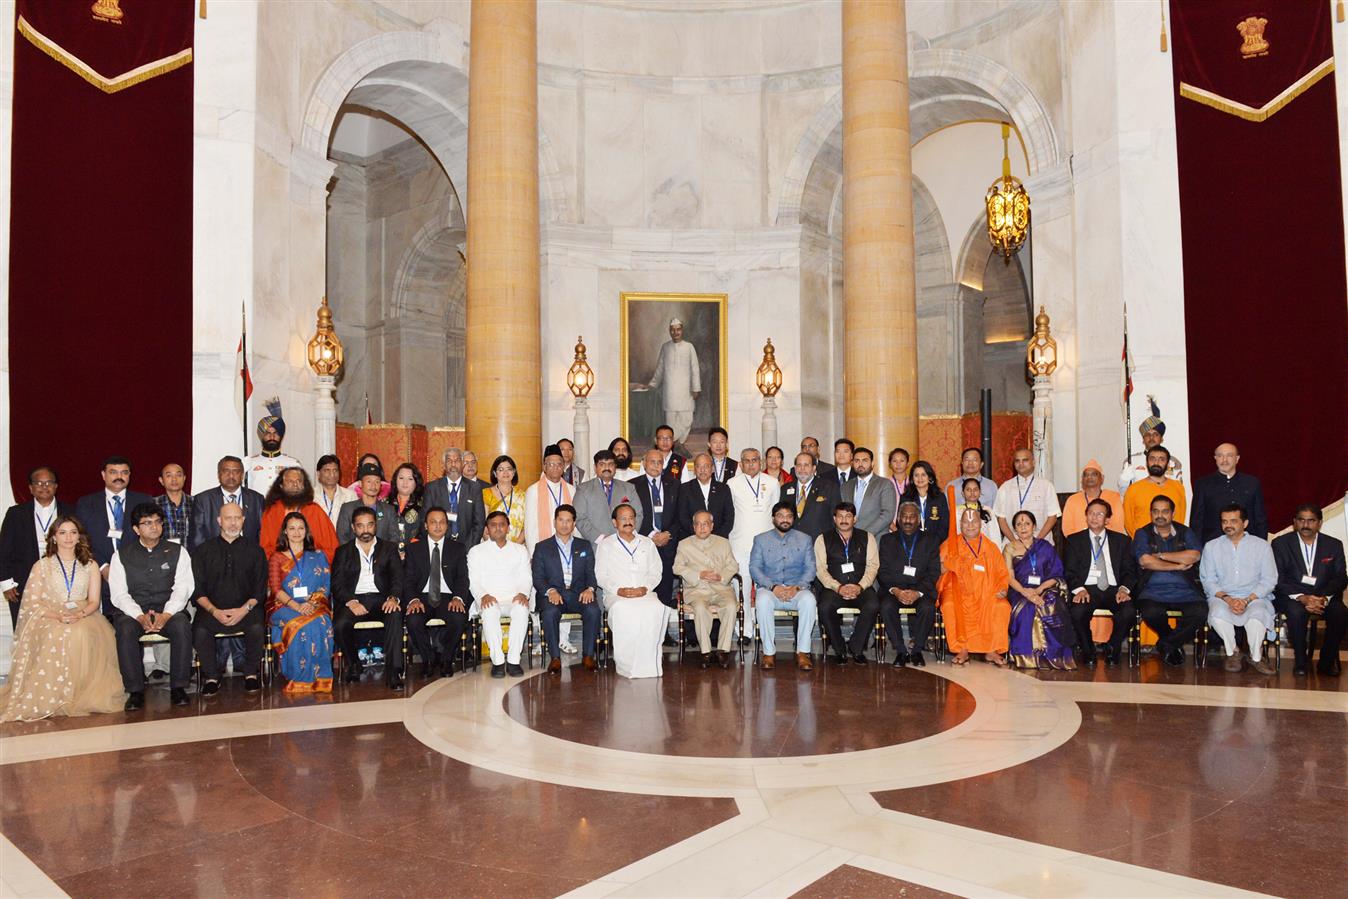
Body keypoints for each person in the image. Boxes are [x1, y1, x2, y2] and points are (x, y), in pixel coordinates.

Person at [0, 516, 123, 722]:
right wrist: (58, 615)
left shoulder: (90, 564)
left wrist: (79, 614)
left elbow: (93, 600)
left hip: (83, 613)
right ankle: (54, 695)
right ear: (54, 538)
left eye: (73, 532)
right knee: (58, 632)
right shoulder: (42, 566)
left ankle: (79, 695)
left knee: (82, 632)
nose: (68, 537)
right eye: (63, 533)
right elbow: (33, 603)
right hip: (49, 614)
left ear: (79, 537)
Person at [108, 504, 194, 709]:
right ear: (136, 529)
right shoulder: (121, 555)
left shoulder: (177, 551)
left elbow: (183, 588)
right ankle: (135, 691)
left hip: (168, 610)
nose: (154, 527)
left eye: (157, 522)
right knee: (125, 629)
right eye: (147, 523)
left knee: (181, 625)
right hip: (134, 612)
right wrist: (139, 616)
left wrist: (166, 614)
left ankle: (179, 687)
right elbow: (119, 594)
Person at [190, 502, 268, 694]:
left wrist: (243, 610)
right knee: (199, 630)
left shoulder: (256, 551)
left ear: (243, 521)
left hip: (247, 609)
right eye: (228, 518)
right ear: (219, 521)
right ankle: (211, 676)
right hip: (212, 609)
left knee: (257, 627)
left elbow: (260, 590)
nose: (233, 523)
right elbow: (197, 590)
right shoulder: (203, 551)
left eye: (237, 518)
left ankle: (251, 673)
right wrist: (214, 611)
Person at [331, 506, 405, 688]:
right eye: (360, 526)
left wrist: (393, 597)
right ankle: (354, 663)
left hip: (382, 599)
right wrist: (351, 601)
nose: (365, 530)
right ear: (353, 527)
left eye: (370, 525)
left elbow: (398, 578)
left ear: (376, 526)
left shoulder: (388, 548)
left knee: (395, 615)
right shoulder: (343, 551)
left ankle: (394, 671)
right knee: (340, 624)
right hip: (355, 599)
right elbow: (337, 584)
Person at [1199, 504, 1277, 675]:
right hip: (1222, 597)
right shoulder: (1212, 547)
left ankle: (1256, 657)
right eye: (1224, 521)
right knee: (1217, 614)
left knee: (1257, 616)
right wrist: (1228, 599)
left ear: (1245, 523)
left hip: (1255, 597)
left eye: (1233, 521)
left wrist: (1247, 600)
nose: (1228, 525)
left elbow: (1269, 579)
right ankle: (1233, 652)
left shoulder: (1262, 546)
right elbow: (1208, 580)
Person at [1272, 504, 1347, 676]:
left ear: (1319, 523)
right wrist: (1302, 597)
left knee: (1341, 614)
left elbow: (1341, 577)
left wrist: (1322, 598)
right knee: (1297, 613)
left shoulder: (1333, 545)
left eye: (1311, 521)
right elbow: (1277, 577)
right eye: (1301, 520)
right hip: (1292, 595)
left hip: (1325, 594)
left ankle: (1326, 662)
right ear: (1294, 522)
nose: (1306, 525)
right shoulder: (1281, 544)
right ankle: (1300, 662)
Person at [1062, 498, 1138, 667]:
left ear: (1107, 519)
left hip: (1114, 589)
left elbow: (1130, 570)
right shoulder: (1074, 540)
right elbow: (1069, 570)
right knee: (1077, 612)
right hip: (1087, 589)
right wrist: (1079, 589)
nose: (1094, 517)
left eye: (1099, 514)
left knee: (1128, 612)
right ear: (1086, 516)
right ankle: (1088, 650)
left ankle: (1113, 646)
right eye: (1090, 513)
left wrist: (1124, 589)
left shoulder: (1122, 541)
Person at [1134, 495, 1206, 667]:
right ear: (1151, 513)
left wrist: (1160, 556)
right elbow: (1145, 561)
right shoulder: (1142, 533)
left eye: (1165, 511)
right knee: (1150, 612)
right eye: (1156, 511)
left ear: (1173, 513)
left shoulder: (1185, 532)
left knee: (1201, 613)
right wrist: (1176, 566)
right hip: (1152, 592)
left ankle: (1166, 644)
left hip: (1186, 591)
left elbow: (1194, 555)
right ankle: (1172, 642)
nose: (1160, 515)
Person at [595, 504, 666, 678]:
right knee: (624, 611)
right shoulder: (606, 545)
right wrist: (619, 590)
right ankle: (627, 666)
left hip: (645, 592)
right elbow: (601, 575)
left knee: (657, 608)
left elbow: (657, 571)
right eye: (623, 518)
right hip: (617, 595)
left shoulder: (647, 543)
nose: (628, 522)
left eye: (631, 518)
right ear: (614, 522)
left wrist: (645, 588)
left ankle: (651, 665)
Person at [267, 511, 335, 693]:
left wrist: (311, 604)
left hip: (314, 604)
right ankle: (299, 678)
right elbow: (275, 589)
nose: (296, 532)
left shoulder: (318, 556)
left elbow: (325, 584)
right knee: (301, 625)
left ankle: (321, 679)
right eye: (292, 528)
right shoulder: (277, 557)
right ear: (285, 532)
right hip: (284, 605)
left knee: (321, 622)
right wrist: (297, 606)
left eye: (300, 528)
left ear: (306, 531)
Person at [403, 507, 472, 679]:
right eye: (433, 522)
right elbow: (408, 579)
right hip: (422, 597)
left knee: (458, 617)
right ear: (425, 525)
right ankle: (428, 659)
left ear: (447, 526)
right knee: (413, 619)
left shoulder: (457, 548)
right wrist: (413, 600)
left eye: (442, 522)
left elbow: (462, 578)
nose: (437, 526)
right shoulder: (414, 549)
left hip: (448, 597)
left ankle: (447, 659)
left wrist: (458, 598)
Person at [0, 465, 73, 627]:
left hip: (62, 581)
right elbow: (3, 551)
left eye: (48, 483)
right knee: (25, 628)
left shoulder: (71, 511)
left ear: (56, 486)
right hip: (22, 582)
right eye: (39, 483)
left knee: (58, 630)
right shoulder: (15, 514)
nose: (44, 487)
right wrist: (6, 582)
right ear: (30, 488)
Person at [938, 507, 1011, 666]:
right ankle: (962, 648)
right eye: (966, 522)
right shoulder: (950, 544)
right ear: (960, 524)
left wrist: (1002, 588)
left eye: (974, 522)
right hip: (958, 589)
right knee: (950, 605)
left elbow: (1002, 572)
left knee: (1002, 607)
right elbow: (936, 570)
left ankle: (992, 650)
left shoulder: (990, 547)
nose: (970, 526)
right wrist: (950, 565)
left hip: (987, 591)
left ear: (980, 524)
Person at [532, 504, 601, 673]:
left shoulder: (584, 546)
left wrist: (590, 588)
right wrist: (550, 591)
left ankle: (588, 656)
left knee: (593, 610)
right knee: (549, 612)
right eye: (561, 520)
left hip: (578, 594)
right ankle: (555, 658)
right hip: (554, 594)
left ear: (574, 523)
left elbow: (591, 574)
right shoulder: (542, 547)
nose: (564, 524)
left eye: (568, 521)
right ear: (554, 522)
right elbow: (538, 578)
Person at [1003, 510, 1075, 670]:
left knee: (1052, 604)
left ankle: (1055, 656)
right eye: (1019, 524)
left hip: (1044, 588)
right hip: (1019, 591)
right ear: (1014, 529)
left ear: (1034, 526)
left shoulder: (1045, 547)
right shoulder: (1010, 548)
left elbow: (1056, 572)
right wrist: (1026, 592)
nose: (1023, 527)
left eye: (1027, 523)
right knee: (1027, 609)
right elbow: (1009, 577)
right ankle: (1026, 657)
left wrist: (1039, 589)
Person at [749, 503, 817, 670]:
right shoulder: (760, 539)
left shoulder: (805, 539)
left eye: (789, 516)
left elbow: (811, 569)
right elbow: (754, 568)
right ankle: (769, 653)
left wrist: (797, 587)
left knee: (809, 600)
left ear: (793, 519)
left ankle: (803, 652)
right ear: (773, 518)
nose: (785, 519)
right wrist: (773, 587)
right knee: (762, 601)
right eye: (780, 515)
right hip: (770, 589)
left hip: (797, 589)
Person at [815, 502, 880, 665]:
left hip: (861, 587)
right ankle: (839, 649)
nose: (844, 520)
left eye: (848, 516)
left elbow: (873, 566)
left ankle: (856, 648)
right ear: (834, 519)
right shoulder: (822, 539)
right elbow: (820, 569)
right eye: (840, 516)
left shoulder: (868, 537)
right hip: (834, 587)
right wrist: (838, 587)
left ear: (855, 519)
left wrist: (860, 586)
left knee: (873, 604)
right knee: (824, 607)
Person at [469, 511, 533, 678]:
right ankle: (497, 662)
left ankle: (513, 661)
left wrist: (522, 593)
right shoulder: (476, 551)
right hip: (488, 597)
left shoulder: (520, 550)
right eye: (493, 525)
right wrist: (483, 595)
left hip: (513, 597)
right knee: (490, 610)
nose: (498, 528)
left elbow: (526, 576)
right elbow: (473, 580)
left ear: (508, 528)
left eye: (502, 524)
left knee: (521, 609)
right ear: (487, 529)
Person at [877, 502, 941, 667]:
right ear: (898, 518)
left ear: (918, 519)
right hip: (894, 590)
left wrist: (916, 592)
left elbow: (933, 572)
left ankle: (917, 650)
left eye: (912, 516)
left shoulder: (931, 540)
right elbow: (882, 572)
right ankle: (900, 650)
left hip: (920, 590)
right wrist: (896, 591)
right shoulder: (887, 540)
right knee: (886, 607)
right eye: (904, 516)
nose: (907, 520)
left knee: (927, 608)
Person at [674, 510, 740, 668]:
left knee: (731, 606)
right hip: (697, 590)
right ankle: (705, 651)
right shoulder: (684, 544)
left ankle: (723, 651)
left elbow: (733, 565)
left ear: (712, 526)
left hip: (721, 588)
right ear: (693, 526)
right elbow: (677, 567)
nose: (702, 528)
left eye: (706, 524)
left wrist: (721, 577)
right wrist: (698, 575)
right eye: (698, 524)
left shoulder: (723, 542)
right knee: (700, 608)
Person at [728, 448, 780, 641]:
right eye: (747, 461)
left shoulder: (773, 483)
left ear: (761, 462)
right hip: (739, 544)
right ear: (741, 464)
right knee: (741, 589)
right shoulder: (731, 484)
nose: (751, 464)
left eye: (755, 460)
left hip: (766, 546)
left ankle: (765, 630)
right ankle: (744, 631)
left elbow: (777, 514)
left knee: (764, 589)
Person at [74, 456, 153, 581]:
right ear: (103, 475)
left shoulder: (144, 501)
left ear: (129, 475)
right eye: (113, 472)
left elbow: (151, 536)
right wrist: (103, 567)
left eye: (124, 472)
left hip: (136, 574)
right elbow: (81, 538)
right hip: (97, 574)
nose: (119, 477)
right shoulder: (86, 503)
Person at [1189, 443, 1268, 544]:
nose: (1224, 460)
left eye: (1229, 455)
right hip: (1214, 544)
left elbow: (1260, 518)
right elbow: (1197, 521)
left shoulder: (1252, 483)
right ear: (1215, 458)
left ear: (1237, 458)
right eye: (1220, 456)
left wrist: (1261, 545)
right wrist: (1197, 548)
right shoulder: (1203, 484)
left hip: (1247, 544)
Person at [631, 448, 678, 612]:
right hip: (643, 544)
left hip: (668, 544)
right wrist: (651, 535)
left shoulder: (674, 484)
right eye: (652, 461)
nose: (656, 465)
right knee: (645, 589)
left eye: (659, 462)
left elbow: (680, 515)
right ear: (644, 463)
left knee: (665, 590)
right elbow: (633, 515)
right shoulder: (633, 485)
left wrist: (668, 534)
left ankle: (663, 635)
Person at [259, 467, 339, 562]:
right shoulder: (272, 512)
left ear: (304, 485)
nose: (295, 484)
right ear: (281, 485)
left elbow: (332, 548)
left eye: (299, 481)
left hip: (312, 566)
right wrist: (285, 557)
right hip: (280, 568)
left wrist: (308, 557)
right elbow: (265, 549)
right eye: (290, 481)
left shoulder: (315, 510)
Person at [644, 318, 701, 446]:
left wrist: (696, 388)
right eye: (673, 330)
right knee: (671, 420)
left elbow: (695, 368)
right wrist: (653, 384)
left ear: (682, 330)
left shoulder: (689, 347)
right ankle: (676, 445)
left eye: (678, 329)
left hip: (686, 390)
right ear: (670, 331)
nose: (675, 332)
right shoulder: (665, 347)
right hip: (670, 391)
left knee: (687, 418)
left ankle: (677, 443)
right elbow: (660, 368)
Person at [189, 455, 265, 550]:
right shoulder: (203, 500)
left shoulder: (257, 499)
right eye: (226, 471)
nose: (231, 475)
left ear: (242, 475)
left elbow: (263, 534)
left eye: (236, 471)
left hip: (248, 558)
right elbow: (197, 538)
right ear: (218, 474)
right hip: (214, 558)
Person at [1118, 395, 1185, 493]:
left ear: (1161, 439)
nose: (1151, 438)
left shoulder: (1173, 462)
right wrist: (1123, 482)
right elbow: (1124, 493)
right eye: (1148, 435)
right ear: (1143, 440)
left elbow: (1178, 490)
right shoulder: (1131, 461)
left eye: (1155, 434)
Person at [993, 448, 1060, 545]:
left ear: (1033, 462)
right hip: (1012, 544)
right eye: (1017, 461)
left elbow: (1052, 517)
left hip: (1041, 542)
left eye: (1025, 460)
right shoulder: (1005, 487)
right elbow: (1001, 519)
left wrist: (1036, 542)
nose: (1021, 464)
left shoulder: (1046, 486)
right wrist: (1015, 542)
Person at [424, 447, 487, 547]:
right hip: (440, 545)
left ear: (462, 464)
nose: (453, 464)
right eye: (449, 461)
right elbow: (426, 519)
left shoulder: (474, 488)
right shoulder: (432, 488)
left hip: (467, 546)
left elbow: (479, 523)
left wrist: (467, 548)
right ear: (444, 465)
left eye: (457, 460)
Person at [573, 450, 638, 544]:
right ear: (595, 467)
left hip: (625, 543)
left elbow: (638, 514)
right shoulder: (583, 489)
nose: (606, 468)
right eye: (602, 464)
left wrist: (627, 536)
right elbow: (580, 518)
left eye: (610, 464)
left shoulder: (629, 488)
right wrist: (600, 539)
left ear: (615, 467)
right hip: (595, 545)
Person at [1122, 445, 1187, 537]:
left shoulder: (1177, 487)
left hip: (1172, 545)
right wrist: (1140, 541)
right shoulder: (1134, 489)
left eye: (1161, 459)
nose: (1156, 462)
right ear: (1147, 462)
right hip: (1143, 545)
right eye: (1152, 459)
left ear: (1168, 464)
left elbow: (1180, 517)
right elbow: (1128, 521)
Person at [243, 397, 303, 495]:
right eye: (267, 433)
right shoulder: (249, 463)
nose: (272, 436)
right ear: (261, 436)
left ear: (281, 436)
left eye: (275, 433)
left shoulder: (293, 464)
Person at [525, 445, 576, 551]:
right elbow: (530, 527)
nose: (555, 467)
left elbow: (575, 522)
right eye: (551, 464)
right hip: (543, 547)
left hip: (568, 545)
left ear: (563, 467)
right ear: (544, 467)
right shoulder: (533, 491)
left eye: (559, 464)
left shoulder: (572, 490)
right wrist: (533, 553)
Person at [675, 453, 735, 540]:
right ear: (694, 470)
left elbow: (729, 517)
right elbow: (682, 517)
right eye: (699, 466)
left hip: (718, 540)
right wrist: (699, 534)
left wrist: (715, 537)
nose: (702, 470)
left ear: (712, 469)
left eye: (706, 466)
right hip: (692, 539)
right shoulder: (685, 489)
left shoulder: (723, 489)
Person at [843, 447, 897, 539]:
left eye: (864, 460)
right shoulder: (846, 486)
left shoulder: (884, 484)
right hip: (850, 539)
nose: (860, 464)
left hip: (876, 538)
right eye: (856, 461)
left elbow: (887, 515)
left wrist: (866, 534)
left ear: (872, 463)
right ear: (852, 464)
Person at [1060, 460, 1124, 537]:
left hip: (1107, 544)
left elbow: (1118, 527)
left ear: (1102, 478)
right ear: (1082, 480)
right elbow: (1067, 529)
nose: (1089, 477)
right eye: (1086, 475)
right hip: (1079, 545)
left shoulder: (1113, 497)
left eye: (1094, 474)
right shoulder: (1072, 500)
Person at [781, 452, 839, 539]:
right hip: (791, 542)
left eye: (806, 465)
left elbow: (836, 517)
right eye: (799, 465)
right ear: (795, 468)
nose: (802, 469)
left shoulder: (829, 487)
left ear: (814, 468)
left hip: (818, 543)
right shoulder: (785, 489)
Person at [336, 463, 394, 544]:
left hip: (383, 555)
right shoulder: (348, 509)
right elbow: (342, 537)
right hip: (354, 555)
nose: (373, 486)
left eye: (377, 482)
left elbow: (394, 537)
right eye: (369, 481)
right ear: (360, 483)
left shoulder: (389, 510)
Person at [482, 454, 527, 544]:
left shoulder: (523, 495)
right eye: (501, 469)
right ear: (495, 473)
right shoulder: (486, 494)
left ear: (514, 472)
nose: (505, 473)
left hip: (517, 547)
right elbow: (483, 525)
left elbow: (527, 526)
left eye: (509, 469)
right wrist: (494, 547)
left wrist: (515, 546)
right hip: (492, 547)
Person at [946, 477, 1001, 548]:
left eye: (975, 489)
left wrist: (997, 552)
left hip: (985, 550)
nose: (972, 492)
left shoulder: (988, 510)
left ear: (980, 492)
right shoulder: (956, 511)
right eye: (968, 490)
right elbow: (954, 534)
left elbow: (995, 535)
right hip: (963, 549)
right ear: (963, 493)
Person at [385, 462, 426, 555]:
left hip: (414, 554)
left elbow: (425, 531)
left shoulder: (423, 505)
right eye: (401, 478)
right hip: (388, 554)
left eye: (410, 479)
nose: (405, 482)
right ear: (395, 480)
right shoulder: (385, 503)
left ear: (416, 482)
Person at [901, 460, 949, 537]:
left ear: (929, 477)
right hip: (912, 543)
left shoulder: (939, 498)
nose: (920, 478)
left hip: (935, 543)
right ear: (912, 479)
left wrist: (933, 542)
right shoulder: (906, 498)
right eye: (916, 475)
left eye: (923, 475)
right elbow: (901, 523)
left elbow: (944, 525)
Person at [154, 463, 193, 546]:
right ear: (161, 480)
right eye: (169, 476)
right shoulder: (153, 504)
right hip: (162, 556)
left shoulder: (196, 503)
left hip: (191, 555)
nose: (174, 479)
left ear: (184, 478)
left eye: (178, 475)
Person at [315, 454, 357, 530]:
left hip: (343, 540)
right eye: (327, 470)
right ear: (318, 474)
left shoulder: (350, 495)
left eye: (335, 470)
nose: (332, 474)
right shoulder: (310, 496)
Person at [885, 447, 911, 527]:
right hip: (889, 528)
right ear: (890, 464)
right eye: (894, 461)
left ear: (908, 463)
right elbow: (881, 510)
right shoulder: (884, 483)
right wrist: (894, 528)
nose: (898, 464)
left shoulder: (914, 482)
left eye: (902, 461)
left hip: (911, 527)